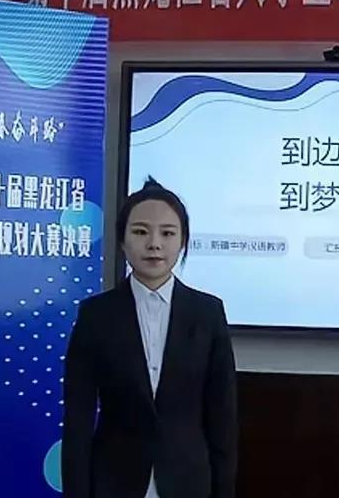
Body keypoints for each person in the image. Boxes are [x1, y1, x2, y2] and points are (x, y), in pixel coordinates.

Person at [62, 178, 237, 498]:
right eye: (141, 232)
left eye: (167, 233)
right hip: (113, 481)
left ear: (183, 241)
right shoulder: (95, 315)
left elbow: (222, 418)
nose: (154, 244)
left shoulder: (208, 313)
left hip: (188, 481)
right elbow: (78, 420)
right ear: (122, 240)